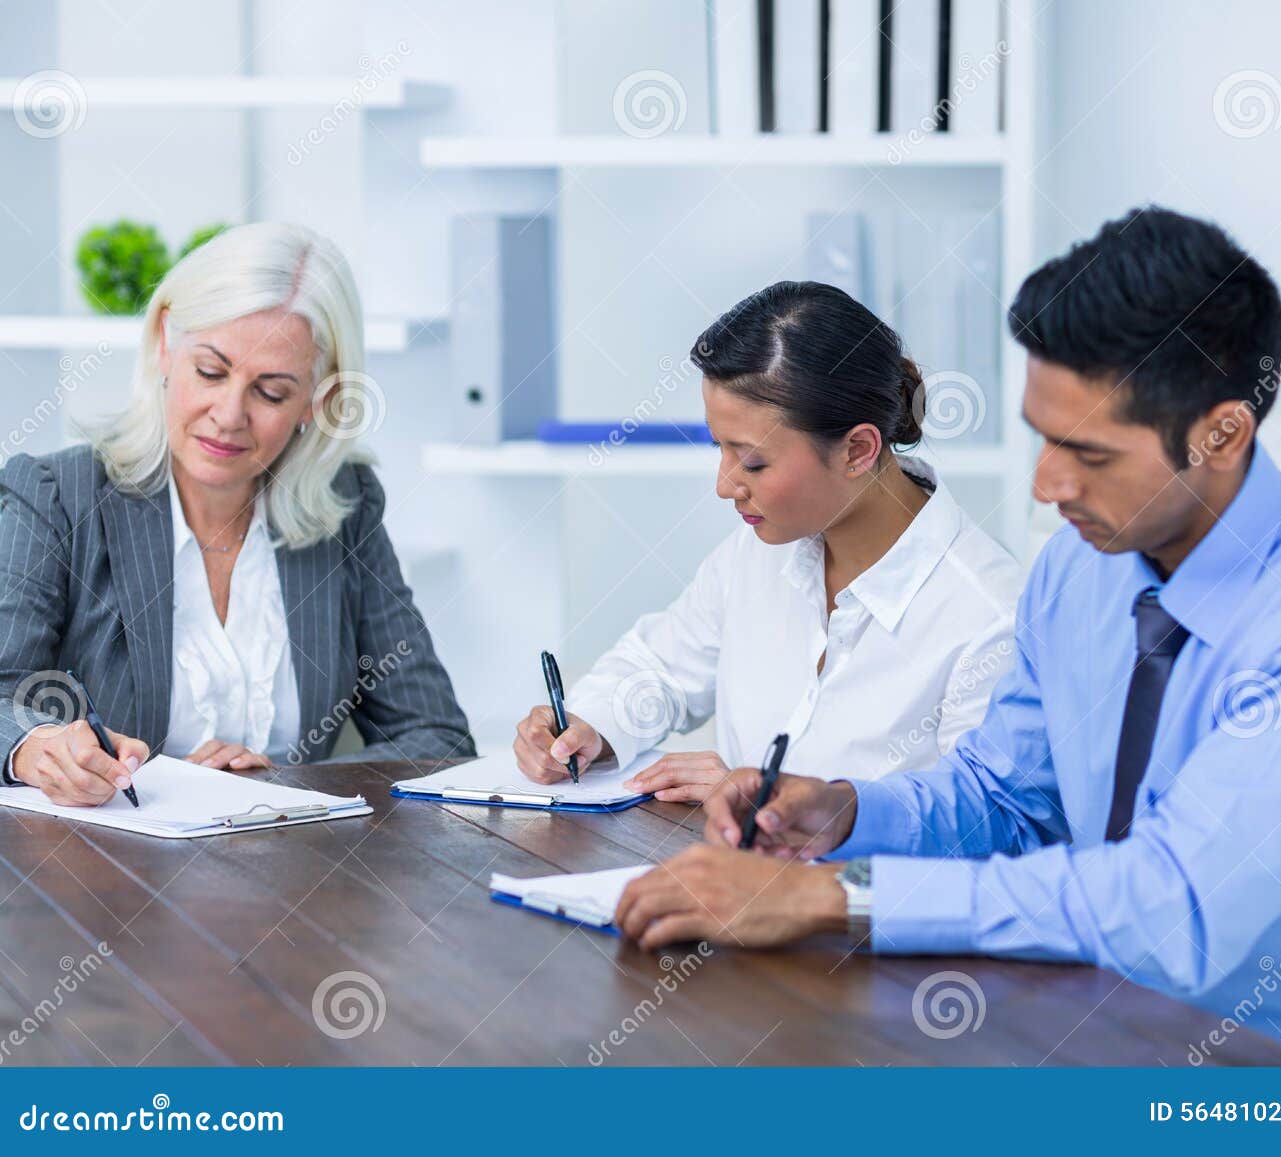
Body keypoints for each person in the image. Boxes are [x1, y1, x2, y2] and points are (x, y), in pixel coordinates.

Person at [611, 208, 1281, 1065]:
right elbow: (1006, 799)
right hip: (1119, 1018)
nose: (1046, 486)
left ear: (1222, 433)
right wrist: (848, 810)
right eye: (1043, 439)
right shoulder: (1084, 571)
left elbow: (1180, 906)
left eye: (1089, 453)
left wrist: (837, 898)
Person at [0, 222, 474, 805]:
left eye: (271, 392)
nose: (229, 414)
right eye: (211, 371)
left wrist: (279, 781)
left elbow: (437, 738)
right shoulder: (52, 494)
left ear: (316, 400)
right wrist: (34, 747)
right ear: (165, 343)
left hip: (290, 878)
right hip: (95, 882)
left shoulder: (346, 504)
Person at [512, 281, 1022, 803]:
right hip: (729, 873)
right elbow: (658, 669)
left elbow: (978, 825)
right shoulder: (755, 555)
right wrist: (586, 727)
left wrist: (771, 802)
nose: (724, 484)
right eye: (720, 448)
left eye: (752, 460)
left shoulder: (989, 616)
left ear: (858, 450)